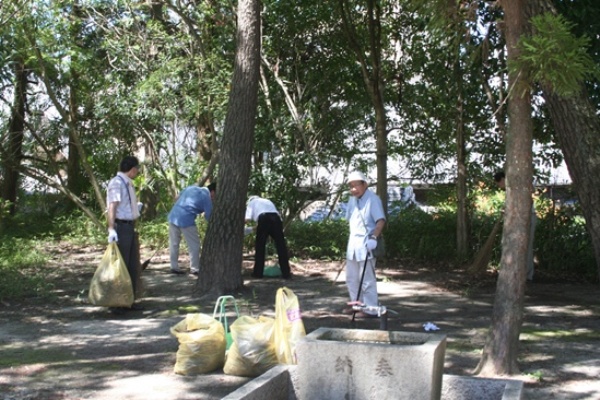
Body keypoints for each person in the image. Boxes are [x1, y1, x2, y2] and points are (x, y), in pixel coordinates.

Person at [344, 171, 386, 317]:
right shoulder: (352, 200)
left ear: (365, 184)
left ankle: (370, 308)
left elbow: (380, 220)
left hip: (366, 244)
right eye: (351, 186)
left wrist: (374, 238)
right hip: (353, 245)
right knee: (352, 278)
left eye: (356, 185)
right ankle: (357, 305)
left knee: (367, 279)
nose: (353, 189)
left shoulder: (373, 199)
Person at [107, 155, 144, 311]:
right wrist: (111, 228)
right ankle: (117, 303)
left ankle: (129, 300)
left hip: (129, 226)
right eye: (137, 170)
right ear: (133, 169)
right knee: (120, 265)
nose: (137, 173)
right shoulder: (117, 183)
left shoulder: (127, 183)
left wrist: (136, 209)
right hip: (121, 227)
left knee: (132, 264)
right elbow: (112, 206)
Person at [494, 171, 536, 281]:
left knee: (526, 245)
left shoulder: (518, 185)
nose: (499, 186)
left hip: (528, 217)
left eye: (499, 183)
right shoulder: (510, 190)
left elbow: (531, 193)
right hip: (515, 219)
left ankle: (527, 275)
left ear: (503, 179)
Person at [167, 182, 217, 276]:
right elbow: (209, 216)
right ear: (213, 192)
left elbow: (177, 198)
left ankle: (174, 267)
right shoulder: (206, 197)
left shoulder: (191, 188)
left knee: (174, 244)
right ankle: (195, 268)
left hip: (173, 216)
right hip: (186, 219)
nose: (214, 198)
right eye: (215, 196)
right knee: (194, 245)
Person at [244, 196, 291, 279]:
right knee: (281, 245)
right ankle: (286, 273)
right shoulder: (267, 201)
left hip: (263, 218)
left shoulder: (251, 203)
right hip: (276, 219)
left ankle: (258, 273)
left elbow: (246, 219)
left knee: (260, 246)